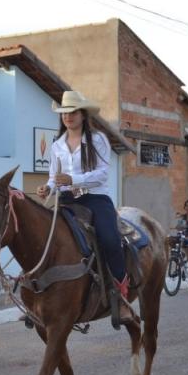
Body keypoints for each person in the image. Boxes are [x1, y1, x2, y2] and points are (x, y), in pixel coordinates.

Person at [35, 91, 134, 326]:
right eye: (64, 113)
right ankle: (38, 297)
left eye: (73, 112)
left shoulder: (98, 140)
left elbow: (102, 174)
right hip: (67, 200)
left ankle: (122, 297)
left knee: (110, 240)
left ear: (83, 115)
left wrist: (73, 180)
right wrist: (48, 188)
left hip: (95, 199)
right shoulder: (57, 145)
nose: (68, 117)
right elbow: (54, 177)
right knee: (43, 236)